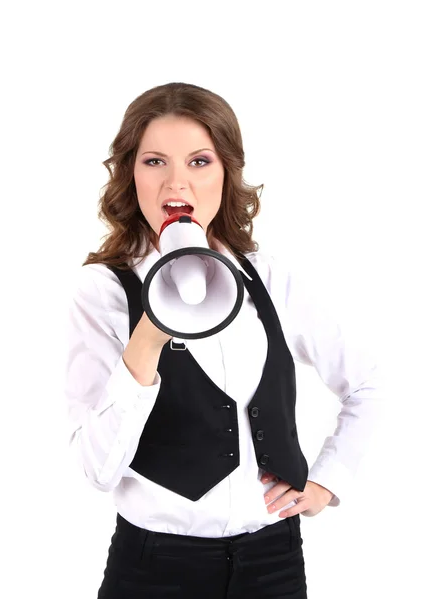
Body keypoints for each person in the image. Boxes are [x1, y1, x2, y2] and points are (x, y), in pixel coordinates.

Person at [63, 82, 384, 598]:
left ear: (226, 172)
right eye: (153, 162)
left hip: (273, 561)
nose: (177, 183)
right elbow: (98, 471)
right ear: (130, 174)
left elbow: (371, 382)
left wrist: (330, 480)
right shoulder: (102, 291)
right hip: (155, 569)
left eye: (198, 161)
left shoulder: (270, 278)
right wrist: (148, 335)